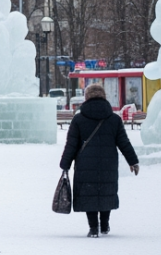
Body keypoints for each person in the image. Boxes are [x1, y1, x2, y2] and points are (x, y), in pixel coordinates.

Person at [59, 83, 140, 237]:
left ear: (87, 97)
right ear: (104, 97)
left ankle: (93, 228)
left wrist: (65, 165)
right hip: (108, 163)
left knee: (88, 192)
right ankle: (105, 225)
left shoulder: (79, 119)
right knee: (105, 191)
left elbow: (71, 144)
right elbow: (124, 142)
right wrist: (133, 161)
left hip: (85, 164)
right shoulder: (114, 119)